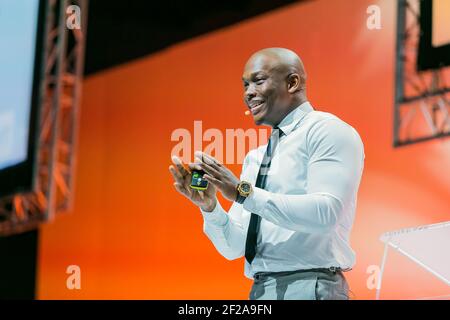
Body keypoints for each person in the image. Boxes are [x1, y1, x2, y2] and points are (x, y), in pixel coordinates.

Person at [169, 48, 364, 300]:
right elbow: (234, 247)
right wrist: (210, 207)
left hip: (311, 284)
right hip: (260, 290)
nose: (248, 93)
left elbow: (326, 213)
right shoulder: (256, 157)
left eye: (258, 81)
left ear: (292, 82)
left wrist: (242, 192)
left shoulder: (327, 131)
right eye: (245, 85)